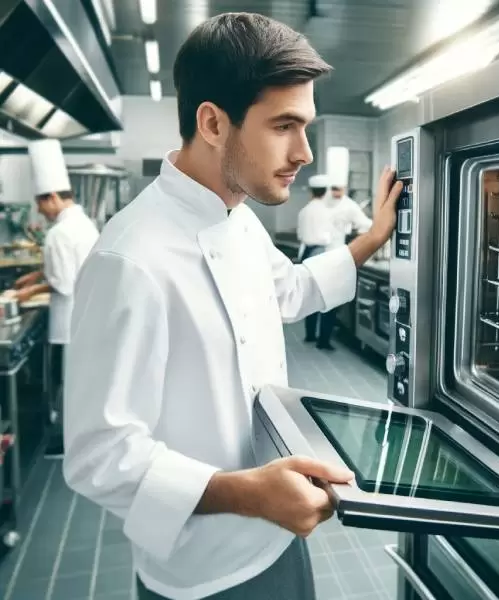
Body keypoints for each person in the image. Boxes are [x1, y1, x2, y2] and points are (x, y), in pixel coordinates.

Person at [62, 12, 402, 600]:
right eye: (284, 126)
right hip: (203, 573)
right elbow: (100, 456)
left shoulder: (239, 221)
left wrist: (372, 236)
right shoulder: (131, 258)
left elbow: (291, 291)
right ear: (214, 122)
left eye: (306, 127)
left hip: (280, 533)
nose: (305, 154)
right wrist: (249, 493)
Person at [11, 139, 99, 458]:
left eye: (40, 203)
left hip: (69, 319)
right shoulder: (82, 223)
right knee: (79, 382)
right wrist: (36, 276)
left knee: (70, 384)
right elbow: (66, 270)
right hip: (86, 315)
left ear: (51, 197)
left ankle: (67, 444)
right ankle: (76, 439)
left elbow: (62, 282)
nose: (39, 210)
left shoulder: (58, 233)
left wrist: (29, 290)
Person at [296, 174, 337, 348]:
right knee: (328, 297)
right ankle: (324, 340)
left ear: (311, 192)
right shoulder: (328, 212)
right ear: (326, 192)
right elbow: (330, 237)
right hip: (321, 254)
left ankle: (310, 334)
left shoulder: (304, 211)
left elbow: (300, 235)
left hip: (306, 254)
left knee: (310, 295)